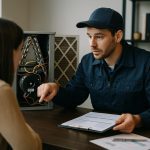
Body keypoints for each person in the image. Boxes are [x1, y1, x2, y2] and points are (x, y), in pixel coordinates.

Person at [37, 7, 150, 133]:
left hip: (137, 135)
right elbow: (74, 96)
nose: (92, 44)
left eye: (99, 37)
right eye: (89, 36)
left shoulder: (146, 62)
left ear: (118, 36)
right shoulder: (87, 62)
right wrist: (56, 90)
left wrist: (137, 120)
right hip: (97, 134)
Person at [0, 18, 42, 150]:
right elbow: (29, 147)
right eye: (21, 49)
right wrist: (22, 124)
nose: (20, 59)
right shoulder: (2, 91)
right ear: (7, 51)